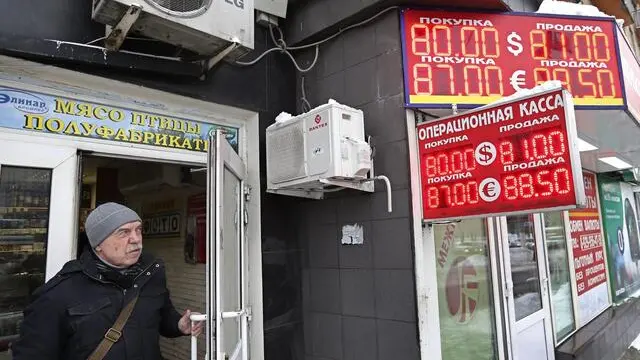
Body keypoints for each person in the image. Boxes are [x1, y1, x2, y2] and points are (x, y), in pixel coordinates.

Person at [11, 202, 203, 360]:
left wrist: (179, 324)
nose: (136, 239)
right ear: (98, 244)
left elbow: (162, 317)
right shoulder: (58, 294)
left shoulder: (151, 274)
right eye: (123, 233)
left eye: (138, 230)